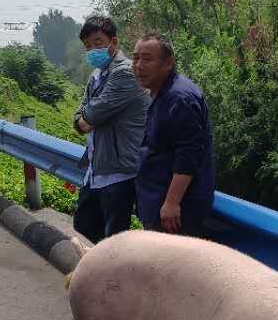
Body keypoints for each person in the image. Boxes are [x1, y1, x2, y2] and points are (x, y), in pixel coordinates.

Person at [71, 14, 147, 243]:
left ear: (113, 42)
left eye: (98, 43)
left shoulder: (124, 73)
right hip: (98, 168)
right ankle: (113, 270)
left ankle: (119, 275)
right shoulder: (97, 76)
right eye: (87, 46)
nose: (92, 50)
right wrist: (86, 119)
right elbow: (80, 118)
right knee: (83, 222)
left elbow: (91, 114)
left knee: (114, 237)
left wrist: (89, 118)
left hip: (120, 171)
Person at [131, 33, 215, 236]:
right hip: (156, 203)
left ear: (168, 63)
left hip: (175, 215)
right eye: (136, 58)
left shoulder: (179, 97)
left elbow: (189, 152)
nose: (139, 65)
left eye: (147, 59)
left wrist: (171, 202)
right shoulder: (161, 93)